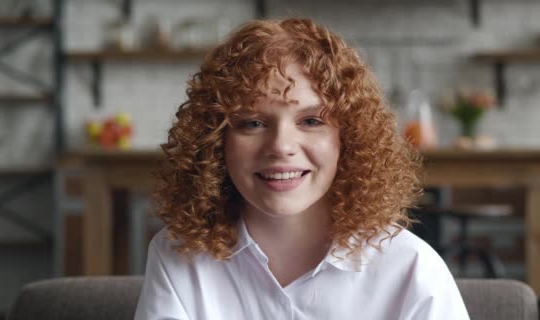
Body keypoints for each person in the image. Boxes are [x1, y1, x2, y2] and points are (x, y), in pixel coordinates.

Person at [134, 18, 469, 320]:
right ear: (215, 140)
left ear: (349, 138)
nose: (281, 145)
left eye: (311, 121)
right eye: (252, 123)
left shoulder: (412, 269)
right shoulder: (178, 256)